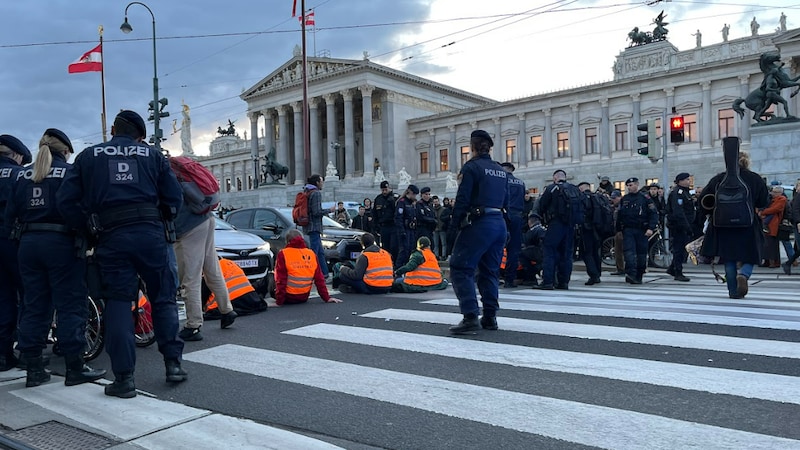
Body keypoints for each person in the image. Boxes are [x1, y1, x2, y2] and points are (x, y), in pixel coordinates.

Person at [57, 110, 186, 398]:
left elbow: (65, 200)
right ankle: (173, 364)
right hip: (151, 234)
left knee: (117, 303)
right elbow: (175, 197)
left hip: (112, 236)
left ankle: (125, 379)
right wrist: (164, 217)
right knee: (163, 298)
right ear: (139, 135)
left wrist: (87, 227)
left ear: (113, 129)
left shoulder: (90, 156)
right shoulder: (152, 155)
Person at [5, 129, 106, 387]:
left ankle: (34, 367)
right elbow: (78, 207)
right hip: (61, 243)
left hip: (28, 245)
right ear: (65, 151)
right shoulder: (69, 172)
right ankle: (75, 366)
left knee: (34, 305)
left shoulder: (23, 174)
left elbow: (10, 216)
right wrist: (85, 234)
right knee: (71, 303)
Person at [447, 130, 508, 334]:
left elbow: (463, 200)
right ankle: (490, 317)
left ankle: (470, 315)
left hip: (480, 223)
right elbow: (506, 201)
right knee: (489, 271)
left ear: (472, 148)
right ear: (489, 147)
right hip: (499, 223)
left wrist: (453, 228)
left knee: (460, 267)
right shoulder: (500, 170)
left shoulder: (472, 167)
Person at [173, 159, 237, 342]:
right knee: (212, 269)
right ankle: (227, 310)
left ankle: (193, 325)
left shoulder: (162, 174)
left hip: (188, 226)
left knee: (190, 278)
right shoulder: (176, 171)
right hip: (206, 219)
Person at [700, 150, 769, 298]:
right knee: (751, 254)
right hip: (748, 223)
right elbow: (764, 201)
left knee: (728, 257)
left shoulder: (719, 178)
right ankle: (744, 274)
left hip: (723, 225)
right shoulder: (755, 178)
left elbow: (703, 200)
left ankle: (733, 291)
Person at [0, 134, 31, 371]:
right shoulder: (20, 175)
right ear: (18, 156)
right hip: (15, 241)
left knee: (3, 299)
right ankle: (28, 351)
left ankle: (3, 354)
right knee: (29, 296)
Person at [533, 169, 582, 290]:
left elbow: (542, 205)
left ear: (555, 178)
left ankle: (548, 281)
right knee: (566, 254)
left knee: (549, 252)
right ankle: (563, 282)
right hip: (571, 225)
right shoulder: (575, 189)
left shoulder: (551, 188)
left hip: (555, 224)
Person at [273, 229, 342, 305]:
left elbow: (281, 279)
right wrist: (327, 298)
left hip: (288, 297)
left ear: (287, 241)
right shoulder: (311, 254)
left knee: (272, 276)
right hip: (304, 296)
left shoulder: (283, 253)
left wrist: (279, 301)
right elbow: (319, 279)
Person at [617, 177, 659, 284]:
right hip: (628, 229)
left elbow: (653, 214)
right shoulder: (625, 199)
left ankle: (639, 274)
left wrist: (651, 228)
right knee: (629, 253)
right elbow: (620, 215)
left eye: (631, 185)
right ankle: (631, 273)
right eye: (628, 186)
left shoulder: (645, 198)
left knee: (641, 254)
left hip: (642, 230)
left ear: (637, 185)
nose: (629, 187)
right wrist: (618, 230)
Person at [666, 172, 695, 282]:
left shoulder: (685, 193)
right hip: (679, 226)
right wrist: (686, 226)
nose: (689, 181)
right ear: (680, 181)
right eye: (687, 179)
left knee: (682, 248)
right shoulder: (678, 193)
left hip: (685, 224)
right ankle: (678, 271)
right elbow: (679, 212)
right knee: (679, 249)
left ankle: (672, 268)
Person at [501, 162, 526, 288]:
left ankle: (494, 277)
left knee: (498, 247)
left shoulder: (501, 181)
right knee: (514, 249)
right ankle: (509, 279)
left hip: (503, 215)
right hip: (517, 215)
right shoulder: (520, 183)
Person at [302, 174, 328, 277]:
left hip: (309, 226)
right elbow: (316, 212)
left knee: (320, 253)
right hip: (314, 227)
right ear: (317, 183)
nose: (322, 184)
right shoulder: (316, 193)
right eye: (321, 181)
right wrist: (329, 210)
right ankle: (309, 273)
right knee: (314, 253)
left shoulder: (307, 191)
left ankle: (324, 273)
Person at [577, 181, 602, 285]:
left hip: (586, 228)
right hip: (597, 229)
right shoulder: (597, 197)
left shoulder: (582, 198)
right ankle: (597, 273)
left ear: (582, 188)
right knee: (596, 253)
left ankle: (593, 275)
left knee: (587, 253)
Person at [758, 185, 787, 268]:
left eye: (774, 192)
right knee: (766, 243)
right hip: (767, 223)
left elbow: (776, 209)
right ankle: (766, 261)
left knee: (772, 244)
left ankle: (773, 262)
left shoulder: (782, 199)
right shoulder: (771, 199)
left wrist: (763, 212)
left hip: (773, 224)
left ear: (779, 193)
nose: (772, 193)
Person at [395, 184, 419, 270]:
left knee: (410, 250)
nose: (415, 196)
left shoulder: (412, 203)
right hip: (404, 230)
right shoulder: (402, 202)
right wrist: (402, 231)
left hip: (411, 230)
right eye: (414, 194)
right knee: (403, 251)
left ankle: (407, 269)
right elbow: (399, 218)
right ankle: (398, 269)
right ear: (411, 193)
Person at [373, 181, 399, 258]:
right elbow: (374, 214)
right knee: (385, 247)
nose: (384, 191)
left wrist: (392, 202)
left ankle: (394, 263)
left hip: (393, 226)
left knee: (394, 246)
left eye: (386, 189)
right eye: (383, 190)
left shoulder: (395, 198)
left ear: (389, 188)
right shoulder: (378, 199)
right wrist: (376, 226)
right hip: (383, 226)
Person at [519, 213, 546, 286]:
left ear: (529, 222)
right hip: (546, 252)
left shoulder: (533, 231)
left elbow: (526, 242)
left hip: (539, 253)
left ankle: (530, 277)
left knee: (521, 254)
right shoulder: (542, 229)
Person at [781, 180, 800, 274]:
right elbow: (796, 210)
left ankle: (788, 263)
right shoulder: (798, 197)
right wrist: (798, 222)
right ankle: (788, 263)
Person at [608, 190, 626, 276]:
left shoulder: (622, 206)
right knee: (618, 251)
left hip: (622, 231)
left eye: (615, 198)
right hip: (618, 231)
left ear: (620, 197)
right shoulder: (615, 207)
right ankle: (620, 268)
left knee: (621, 250)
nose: (613, 200)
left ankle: (623, 268)